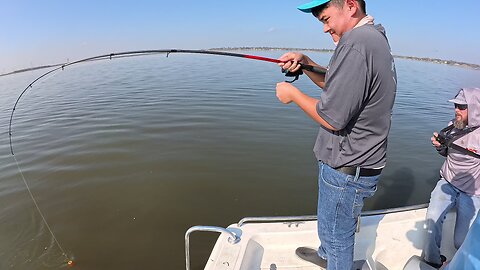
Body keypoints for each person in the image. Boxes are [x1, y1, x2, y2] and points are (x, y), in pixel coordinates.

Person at [275, 0, 397, 269]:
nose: (324, 28)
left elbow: (332, 118)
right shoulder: (373, 37)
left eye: (326, 19)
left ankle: (334, 260)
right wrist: (306, 64)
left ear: (351, 6)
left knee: (339, 237)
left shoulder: (356, 43)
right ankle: (325, 255)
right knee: (329, 222)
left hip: (347, 168)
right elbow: (338, 83)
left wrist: (292, 94)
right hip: (351, 162)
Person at [423, 87, 480, 268]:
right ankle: (432, 261)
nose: (456, 110)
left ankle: (457, 264)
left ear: (475, 109)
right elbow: (447, 153)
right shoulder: (452, 127)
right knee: (431, 220)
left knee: (461, 241)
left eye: (462, 107)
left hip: (472, 193)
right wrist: (440, 147)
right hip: (447, 182)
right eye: (456, 105)